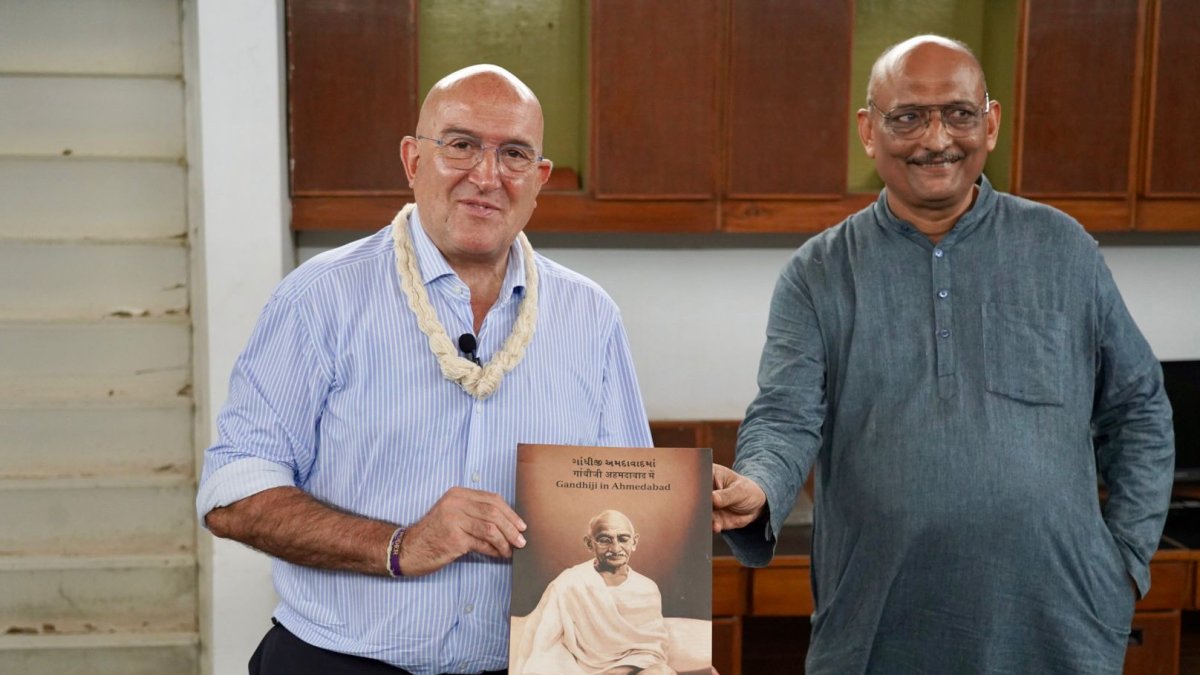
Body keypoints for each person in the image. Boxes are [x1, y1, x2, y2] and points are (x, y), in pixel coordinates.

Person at [711, 35, 1175, 674]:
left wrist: (1123, 564)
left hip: (1059, 628)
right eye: (908, 117)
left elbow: (1139, 411)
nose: (936, 139)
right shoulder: (818, 273)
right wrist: (758, 484)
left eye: (958, 113)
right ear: (869, 131)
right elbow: (786, 417)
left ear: (991, 121)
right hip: (878, 627)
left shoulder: (1062, 250)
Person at [196, 64, 652, 675]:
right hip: (339, 661)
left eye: (513, 154)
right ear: (413, 160)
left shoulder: (590, 318)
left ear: (539, 179)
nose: (486, 176)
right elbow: (232, 494)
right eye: (461, 145)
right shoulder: (319, 300)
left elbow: (623, 503)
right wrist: (401, 545)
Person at [511, 510, 674, 675]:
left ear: (634, 542)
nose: (615, 548)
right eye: (605, 540)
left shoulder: (647, 588)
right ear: (589, 544)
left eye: (623, 539)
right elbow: (545, 640)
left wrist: (618, 671)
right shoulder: (570, 583)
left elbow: (654, 649)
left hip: (633, 670)